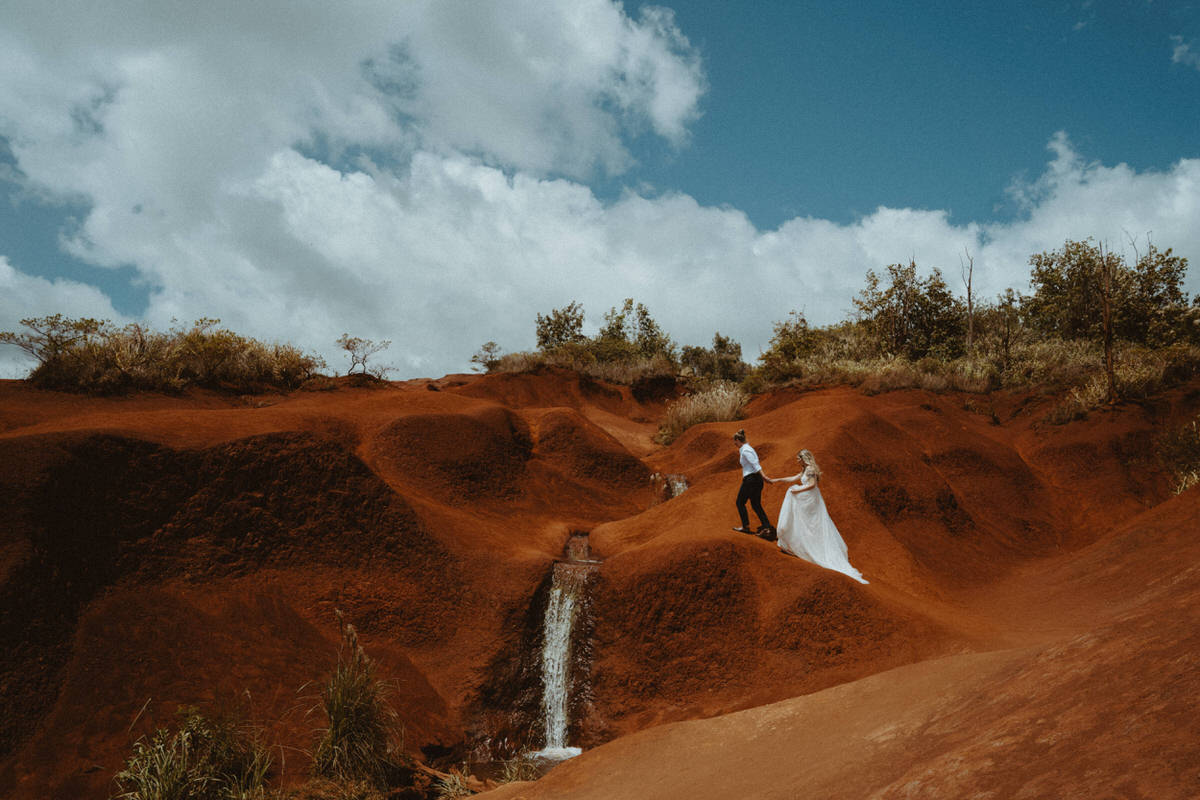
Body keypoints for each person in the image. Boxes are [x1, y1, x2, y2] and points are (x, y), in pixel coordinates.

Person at [769, 449, 868, 583]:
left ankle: (809, 548)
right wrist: (777, 480)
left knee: (810, 524)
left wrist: (797, 491)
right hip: (806, 497)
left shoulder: (810, 469)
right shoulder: (804, 469)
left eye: (799, 458)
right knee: (803, 521)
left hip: (810, 499)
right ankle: (798, 544)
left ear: (804, 458)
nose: (797, 460)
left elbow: (812, 485)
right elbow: (794, 478)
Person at [732, 429, 774, 538]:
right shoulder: (748, 448)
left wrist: (764, 476)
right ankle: (767, 526)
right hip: (755, 479)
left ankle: (746, 527)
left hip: (751, 479)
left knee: (740, 502)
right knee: (755, 504)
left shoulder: (745, 450)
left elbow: (755, 465)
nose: (734, 444)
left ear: (738, 440)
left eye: (735, 442)